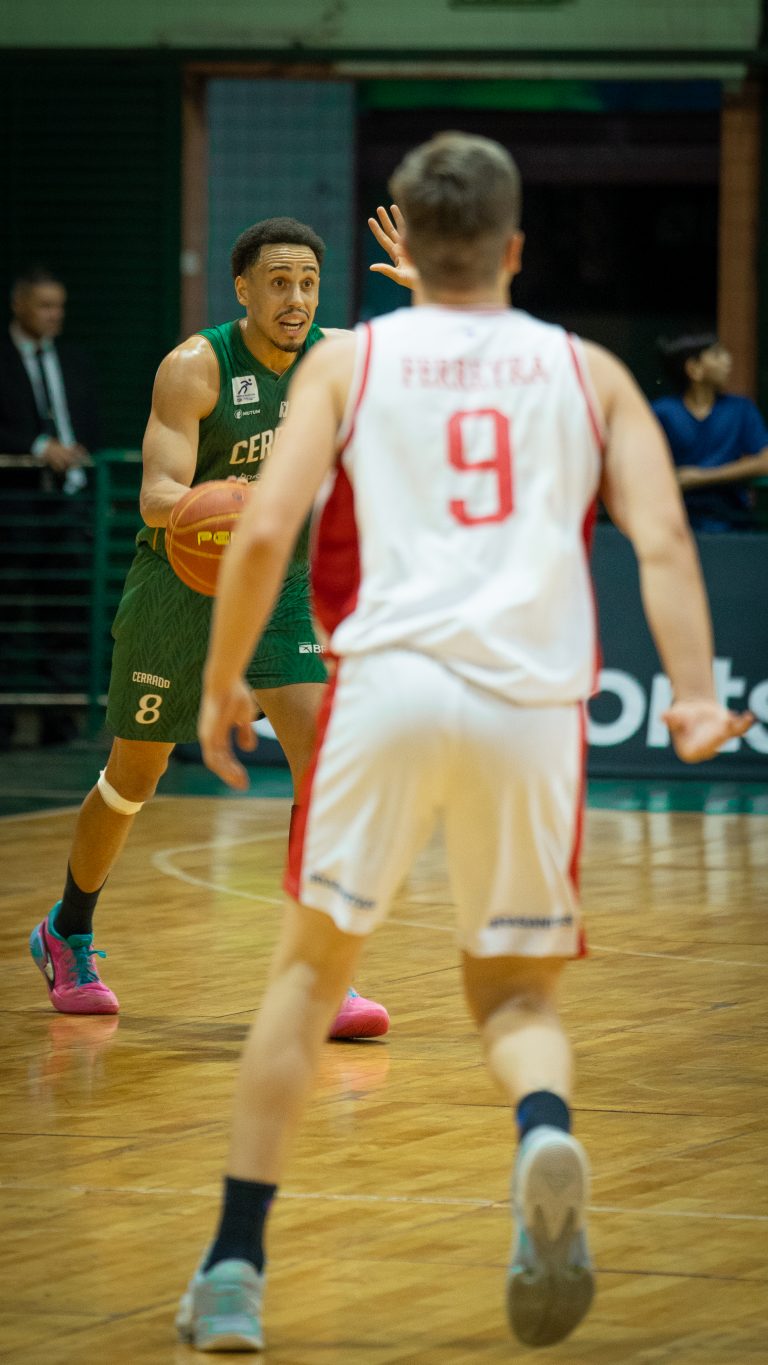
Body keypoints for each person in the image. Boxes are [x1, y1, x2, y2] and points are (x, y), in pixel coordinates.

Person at [181, 132, 753, 1353]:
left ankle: (234, 1270)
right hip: (527, 710)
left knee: (304, 980)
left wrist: (223, 680)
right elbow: (660, 541)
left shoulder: (348, 363)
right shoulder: (587, 370)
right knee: (514, 993)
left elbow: (267, 526)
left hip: (384, 690)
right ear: (517, 247)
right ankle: (542, 1126)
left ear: (405, 239)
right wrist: (695, 698)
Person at [28, 215, 410, 1039]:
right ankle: (68, 931)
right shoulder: (195, 367)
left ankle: (324, 973)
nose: (296, 298)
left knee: (324, 772)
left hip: (279, 587)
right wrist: (236, 508)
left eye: (308, 282)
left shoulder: (336, 357)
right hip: (182, 584)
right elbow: (158, 493)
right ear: (242, 288)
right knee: (133, 779)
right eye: (279, 281)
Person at [0, 266, 101, 745]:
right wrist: (40, 446)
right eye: (44, 305)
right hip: (14, 506)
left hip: (67, 506)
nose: (54, 315)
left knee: (67, 614)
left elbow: (89, 423)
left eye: (59, 305)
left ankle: (62, 721)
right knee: (11, 610)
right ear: (19, 305)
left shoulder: (75, 360)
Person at [653, 333, 768, 530]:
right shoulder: (662, 412)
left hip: (732, 522)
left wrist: (700, 477)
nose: (728, 361)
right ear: (694, 369)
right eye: (716, 355)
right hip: (673, 522)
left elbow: (765, 461)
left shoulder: (741, 409)